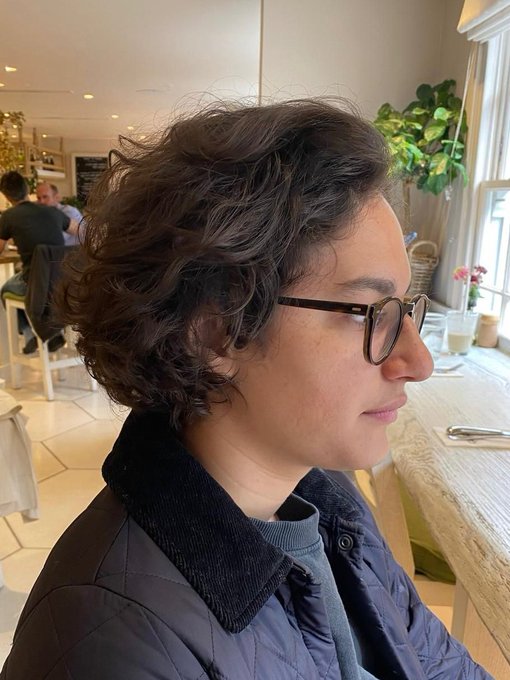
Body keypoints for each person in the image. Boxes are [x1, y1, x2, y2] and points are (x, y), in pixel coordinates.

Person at [0, 101, 491, 679]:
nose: (417, 361)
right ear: (216, 332)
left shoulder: (326, 500)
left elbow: (438, 664)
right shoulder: (112, 640)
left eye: (404, 309)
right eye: (368, 312)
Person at [0, 171, 78, 353]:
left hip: (37, 281)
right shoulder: (53, 211)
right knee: (30, 283)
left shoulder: (9, 216)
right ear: (27, 189)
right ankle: (52, 334)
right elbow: (80, 231)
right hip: (65, 280)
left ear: (6, 196)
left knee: (6, 289)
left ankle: (31, 334)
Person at [35, 181, 84, 246]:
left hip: (75, 251)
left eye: (45, 197)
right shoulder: (42, 214)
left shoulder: (69, 212)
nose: (41, 202)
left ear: (56, 197)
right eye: (38, 198)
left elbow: (54, 239)